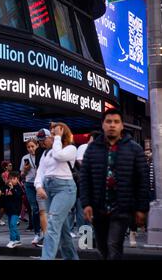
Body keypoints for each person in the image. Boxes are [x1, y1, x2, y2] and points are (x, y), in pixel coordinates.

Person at [80, 109, 149, 260]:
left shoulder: (134, 149)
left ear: (122, 126)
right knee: (102, 246)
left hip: (122, 208)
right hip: (98, 208)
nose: (112, 125)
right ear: (102, 125)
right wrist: (86, 203)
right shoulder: (92, 149)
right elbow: (84, 177)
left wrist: (141, 208)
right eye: (108, 122)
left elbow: (142, 180)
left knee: (113, 244)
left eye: (116, 122)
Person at [34, 122, 79, 260]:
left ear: (62, 134)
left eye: (54, 134)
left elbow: (59, 156)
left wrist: (58, 137)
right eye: (52, 134)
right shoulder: (46, 153)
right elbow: (40, 172)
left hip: (65, 190)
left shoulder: (71, 149)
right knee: (63, 230)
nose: (52, 136)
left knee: (52, 225)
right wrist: (39, 186)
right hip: (48, 190)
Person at [33, 128, 52, 247]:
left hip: (54, 184)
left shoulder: (57, 149)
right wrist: (38, 185)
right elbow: (39, 169)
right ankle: (46, 236)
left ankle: (52, 236)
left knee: (53, 212)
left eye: (43, 140)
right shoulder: (39, 151)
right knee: (42, 211)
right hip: (41, 183)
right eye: (39, 141)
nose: (41, 143)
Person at [20, 138, 41, 245]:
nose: (31, 149)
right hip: (29, 184)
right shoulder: (25, 158)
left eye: (32, 146)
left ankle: (44, 231)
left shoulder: (41, 155)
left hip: (40, 184)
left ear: (37, 145)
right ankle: (37, 233)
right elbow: (21, 175)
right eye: (28, 147)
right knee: (34, 208)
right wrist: (25, 170)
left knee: (42, 208)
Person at [4, 171, 23, 248]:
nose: (11, 180)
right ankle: (18, 239)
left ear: (17, 179)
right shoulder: (7, 187)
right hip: (9, 209)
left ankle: (12, 240)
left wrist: (12, 189)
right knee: (12, 225)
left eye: (13, 179)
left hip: (16, 210)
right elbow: (5, 197)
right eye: (10, 178)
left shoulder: (18, 188)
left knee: (12, 224)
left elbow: (18, 196)